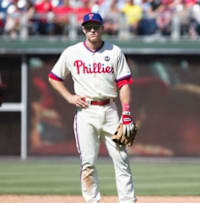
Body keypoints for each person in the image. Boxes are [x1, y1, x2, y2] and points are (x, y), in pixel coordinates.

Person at [48, 13, 137, 203]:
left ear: (102, 28)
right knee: (88, 163)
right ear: (83, 30)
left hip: (110, 110)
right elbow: (54, 77)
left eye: (96, 26)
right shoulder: (72, 52)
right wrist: (69, 97)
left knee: (121, 160)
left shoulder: (114, 51)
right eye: (88, 27)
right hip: (86, 112)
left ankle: (128, 201)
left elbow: (124, 84)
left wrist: (126, 113)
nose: (92, 30)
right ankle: (92, 200)